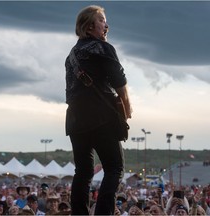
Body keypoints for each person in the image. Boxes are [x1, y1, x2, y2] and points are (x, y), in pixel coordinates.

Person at [65, 5, 132, 215]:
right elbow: (120, 83)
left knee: (83, 173)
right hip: (102, 117)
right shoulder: (103, 48)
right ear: (90, 25)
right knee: (114, 168)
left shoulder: (72, 55)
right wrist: (127, 110)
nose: (106, 25)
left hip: (76, 120)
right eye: (102, 20)